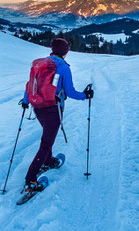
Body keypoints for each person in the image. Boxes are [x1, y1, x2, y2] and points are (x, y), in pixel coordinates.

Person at [21, 38, 93, 192]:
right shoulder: (63, 68)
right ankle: (30, 181)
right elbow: (70, 92)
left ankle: (48, 161)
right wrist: (85, 96)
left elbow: (30, 84)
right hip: (53, 110)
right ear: (65, 51)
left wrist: (26, 101)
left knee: (48, 136)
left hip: (38, 107)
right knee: (46, 143)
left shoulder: (41, 64)